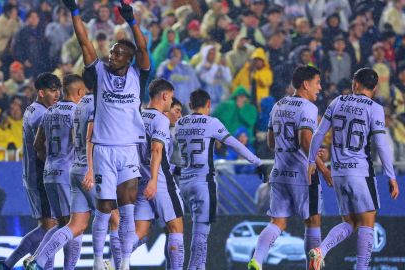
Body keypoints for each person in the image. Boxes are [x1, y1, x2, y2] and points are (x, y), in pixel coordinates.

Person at [63, 0, 150, 269]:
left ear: (128, 59)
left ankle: (123, 263)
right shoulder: (100, 73)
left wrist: (132, 20)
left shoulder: (139, 76)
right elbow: (85, 43)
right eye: (111, 53)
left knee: (127, 210)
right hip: (103, 149)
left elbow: (144, 48)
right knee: (104, 208)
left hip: (128, 149)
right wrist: (75, 12)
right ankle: (98, 262)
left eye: (118, 54)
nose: (111, 56)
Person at [307, 68, 399, 270]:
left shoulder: (337, 102)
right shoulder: (375, 108)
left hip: (338, 172)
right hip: (360, 172)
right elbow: (381, 144)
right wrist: (391, 176)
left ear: (355, 84)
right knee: (367, 222)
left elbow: (318, 134)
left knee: (350, 223)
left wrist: (311, 162)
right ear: (374, 87)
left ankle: (321, 250)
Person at [247, 65, 332, 270]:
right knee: (312, 222)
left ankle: (257, 260)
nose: (319, 88)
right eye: (317, 83)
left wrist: (301, 146)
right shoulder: (308, 108)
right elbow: (304, 141)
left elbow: (271, 142)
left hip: (279, 172)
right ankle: (312, 268)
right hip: (304, 175)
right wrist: (323, 168)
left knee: (277, 222)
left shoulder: (278, 105)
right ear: (305, 84)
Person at [176, 89, 267, 270]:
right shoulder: (212, 122)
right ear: (209, 105)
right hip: (203, 182)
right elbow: (234, 144)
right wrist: (257, 162)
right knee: (201, 234)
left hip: (184, 182)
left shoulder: (180, 123)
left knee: (186, 231)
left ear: (190, 105)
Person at [0, 72, 60, 270]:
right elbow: (44, 148)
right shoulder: (41, 114)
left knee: (48, 226)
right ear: (41, 92)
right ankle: (33, 262)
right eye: (52, 90)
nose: (57, 94)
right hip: (40, 176)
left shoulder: (32, 109)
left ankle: (8, 264)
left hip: (33, 174)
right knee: (52, 227)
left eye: (58, 90)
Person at [27, 74, 86, 270]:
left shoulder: (49, 112)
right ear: (79, 92)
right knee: (77, 225)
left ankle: (38, 261)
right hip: (68, 173)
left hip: (49, 173)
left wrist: (51, 161)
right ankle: (40, 261)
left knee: (61, 226)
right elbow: (78, 143)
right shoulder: (76, 112)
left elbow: (37, 144)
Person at [134, 78, 185, 269]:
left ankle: (113, 262)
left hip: (139, 179)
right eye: (171, 98)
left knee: (139, 232)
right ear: (164, 96)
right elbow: (156, 150)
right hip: (160, 181)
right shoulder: (161, 119)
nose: (171, 102)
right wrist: (154, 181)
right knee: (176, 229)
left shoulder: (138, 115)